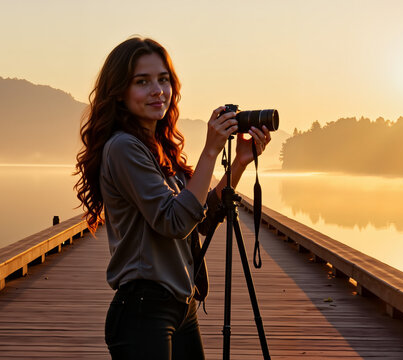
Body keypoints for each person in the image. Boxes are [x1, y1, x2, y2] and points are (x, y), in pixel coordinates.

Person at [74, 37, 271, 360]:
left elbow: (199, 219)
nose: (157, 90)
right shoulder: (123, 147)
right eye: (142, 82)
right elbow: (174, 221)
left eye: (163, 79)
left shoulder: (158, 147)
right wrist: (210, 151)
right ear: (120, 93)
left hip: (181, 306)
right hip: (143, 312)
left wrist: (239, 162)